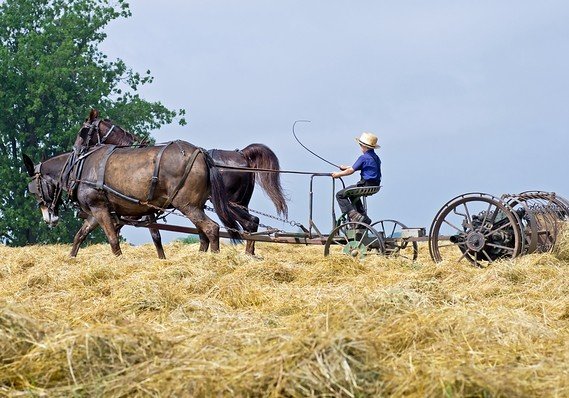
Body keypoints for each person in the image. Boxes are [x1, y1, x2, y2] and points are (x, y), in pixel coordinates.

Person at [331, 132, 381, 223]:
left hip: (365, 184)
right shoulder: (376, 158)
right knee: (353, 195)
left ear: (364, 146)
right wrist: (346, 167)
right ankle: (364, 217)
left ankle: (354, 215)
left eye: (360, 145)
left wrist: (337, 174)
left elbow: (351, 171)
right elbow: (358, 167)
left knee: (340, 195)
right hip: (375, 185)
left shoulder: (363, 157)